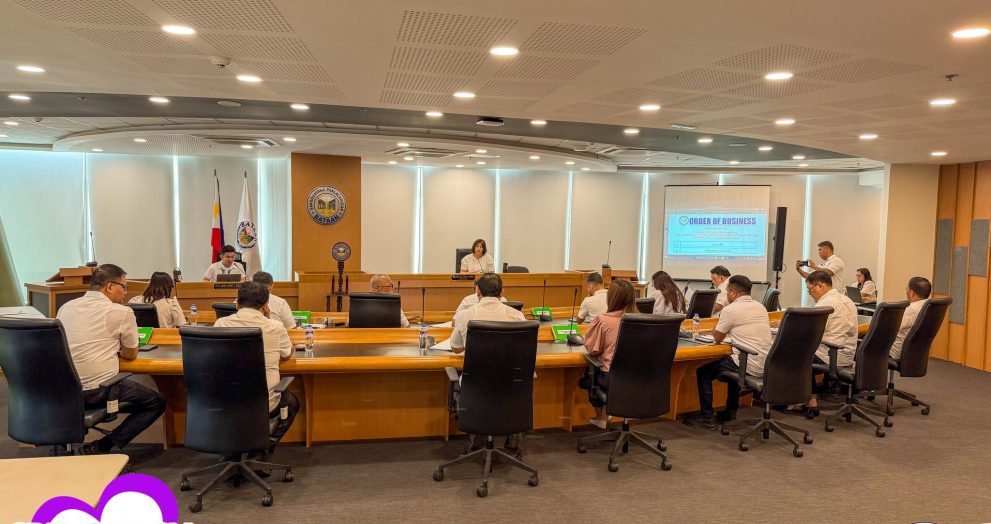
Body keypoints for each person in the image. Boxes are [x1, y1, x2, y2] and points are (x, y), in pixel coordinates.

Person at [56, 264, 165, 454]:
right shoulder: (121, 312)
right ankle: (102, 446)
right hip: (97, 390)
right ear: (109, 287)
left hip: (63, 390)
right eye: (124, 287)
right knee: (156, 402)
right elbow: (130, 354)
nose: (125, 292)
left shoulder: (65, 308)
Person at [213, 281, 297, 457]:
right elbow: (286, 354)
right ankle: (261, 451)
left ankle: (231, 452)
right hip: (264, 403)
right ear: (265, 306)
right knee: (293, 403)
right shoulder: (275, 326)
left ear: (237, 303)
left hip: (226, 400)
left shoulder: (221, 324)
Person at [683, 275, 771, 430]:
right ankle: (730, 411)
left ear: (733, 293)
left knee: (703, 372)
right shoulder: (760, 307)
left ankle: (707, 417)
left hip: (748, 362)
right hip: (766, 363)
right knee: (733, 362)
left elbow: (717, 337)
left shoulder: (731, 309)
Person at [799, 270, 858, 415]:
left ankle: (809, 400)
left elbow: (810, 333)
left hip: (830, 355)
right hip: (848, 355)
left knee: (797, 355)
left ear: (820, 286)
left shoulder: (825, 304)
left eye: (810, 290)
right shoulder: (847, 300)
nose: (809, 294)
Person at [581, 279, 638, 429]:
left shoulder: (603, 320)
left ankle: (602, 416)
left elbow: (592, 349)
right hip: (638, 376)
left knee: (590, 370)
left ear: (611, 298)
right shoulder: (642, 320)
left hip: (611, 377)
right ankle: (605, 416)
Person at [451, 273, 526, 352]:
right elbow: (524, 345)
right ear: (501, 292)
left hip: (476, 360)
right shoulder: (518, 315)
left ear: (478, 291)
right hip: (508, 359)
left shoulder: (462, 315)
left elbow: (456, 348)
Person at [890, 277, 932, 359]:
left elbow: (893, 328)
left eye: (906, 289)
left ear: (911, 293)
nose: (906, 292)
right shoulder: (929, 307)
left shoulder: (911, 310)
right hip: (916, 352)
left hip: (895, 352)